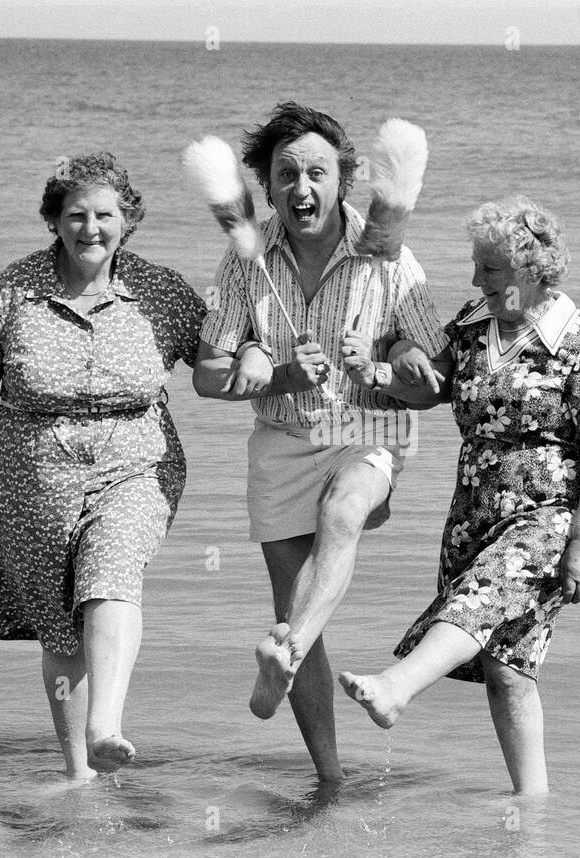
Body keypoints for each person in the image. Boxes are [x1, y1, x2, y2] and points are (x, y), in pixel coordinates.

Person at [0, 152, 207, 780]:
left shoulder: (162, 292)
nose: (90, 228)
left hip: (134, 467)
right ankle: (79, 777)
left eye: (105, 215)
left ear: (127, 220)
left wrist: (280, 368)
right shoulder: (14, 290)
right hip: (31, 482)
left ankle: (107, 722)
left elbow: (219, 357)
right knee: (61, 637)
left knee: (113, 568)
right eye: (76, 215)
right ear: (54, 221)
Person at [193, 102, 447, 782]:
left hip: (368, 428)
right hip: (281, 439)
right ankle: (330, 781)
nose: (301, 189)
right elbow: (205, 374)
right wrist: (267, 369)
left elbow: (436, 381)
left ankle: (290, 647)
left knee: (343, 513)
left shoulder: (391, 257)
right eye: (285, 176)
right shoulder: (244, 261)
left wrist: (388, 367)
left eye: (316, 173)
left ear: (346, 177)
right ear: (265, 186)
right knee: (292, 604)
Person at [338, 196, 580, 795]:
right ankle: (533, 806)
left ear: (531, 269)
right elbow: (432, 389)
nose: (476, 279)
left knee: (474, 604)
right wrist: (377, 375)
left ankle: (397, 688)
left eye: (489, 269)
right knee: (507, 670)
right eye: (477, 266)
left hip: (546, 521)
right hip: (473, 517)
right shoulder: (473, 326)